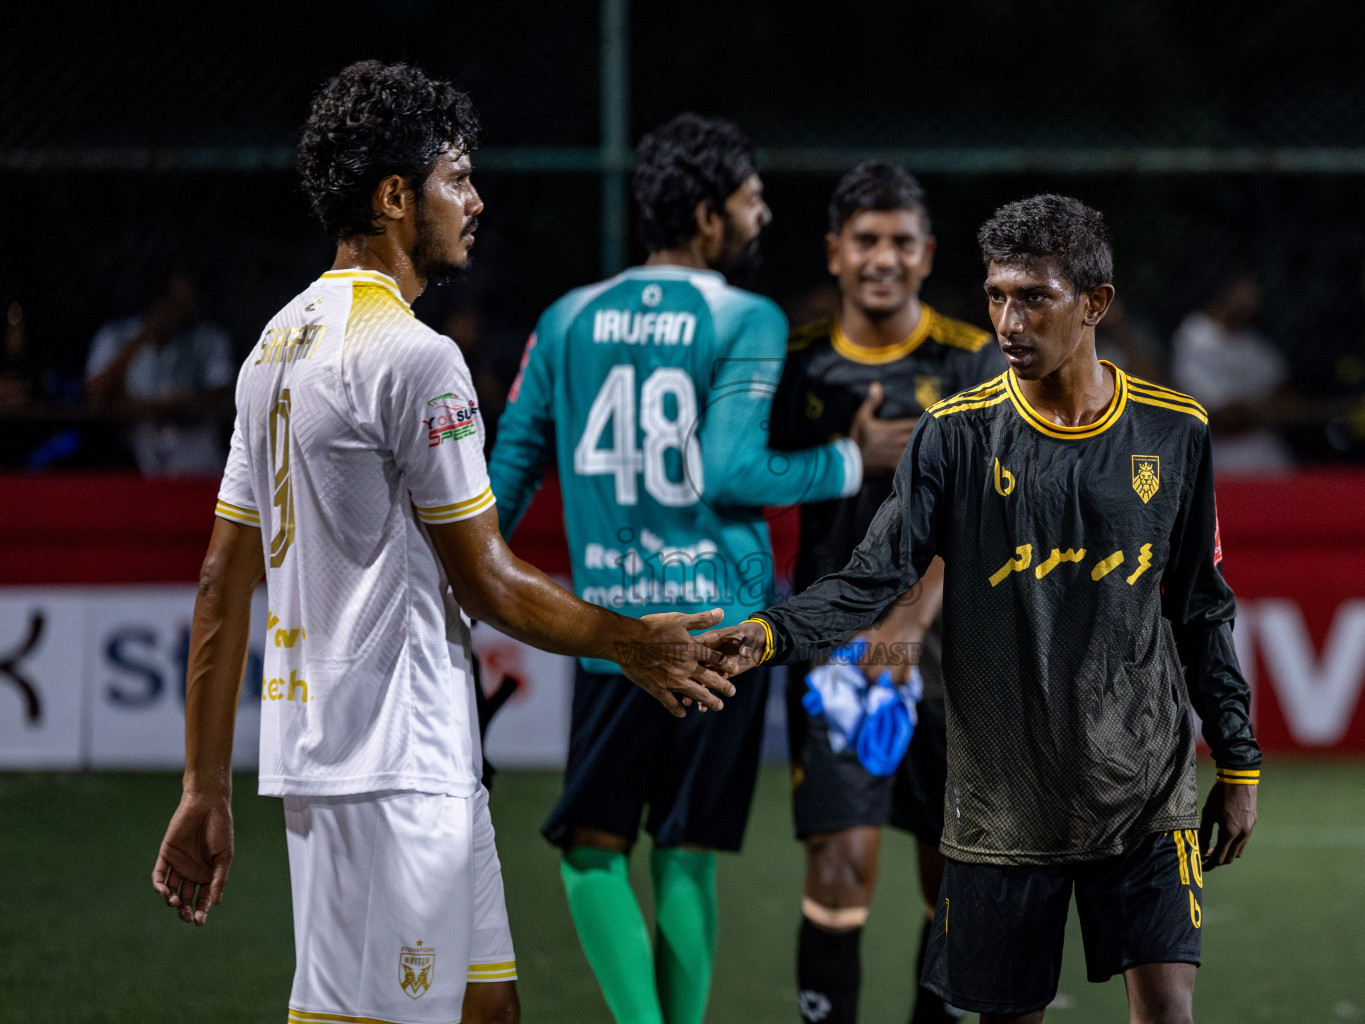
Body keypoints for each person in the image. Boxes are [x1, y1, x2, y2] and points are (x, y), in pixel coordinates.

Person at [149, 62, 733, 1024]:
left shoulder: (273, 346)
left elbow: (221, 580)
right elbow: (490, 579)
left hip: (394, 751)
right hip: (389, 760)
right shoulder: (416, 357)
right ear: (393, 197)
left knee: (485, 1007)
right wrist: (632, 642)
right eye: (456, 178)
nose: (476, 200)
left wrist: (204, 784)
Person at [705, 194, 1261, 1024]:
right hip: (1003, 803)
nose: (1008, 319)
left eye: (1034, 296)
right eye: (997, 295)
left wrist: (1239, 762)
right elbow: (871, 577)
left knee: (1170, 1012)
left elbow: (1201, 612)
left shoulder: (1174, 431)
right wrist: (768, 632)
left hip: (1145, 789)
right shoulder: (956, 435)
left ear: (1094, 305)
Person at [486, 113, 880, 1024]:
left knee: (592, 850)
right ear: (707, 217)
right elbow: (735, 471)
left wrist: (464, 576)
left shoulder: (566, 317)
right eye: (750, 200)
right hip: (720, 630)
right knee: (686, 853)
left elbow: (506, 483)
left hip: (614, 633)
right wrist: (844, 462)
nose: (763, 214)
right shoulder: (746, 316)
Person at [767, 161, 1003, 1024]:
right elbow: (740, 474)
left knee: (956, 869)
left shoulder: (973, 357)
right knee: (839, 863)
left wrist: (905, 622)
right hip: (837, 652)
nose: (883, 258)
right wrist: (840, 460)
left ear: (927, 252)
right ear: (834, 252)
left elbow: (983, 521)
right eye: (865, 240)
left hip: (953, 655)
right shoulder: (795, 368)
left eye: (901, 241)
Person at [83, 269, 235, 475]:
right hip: (134, 460)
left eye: (187, 301)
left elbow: (226, 392)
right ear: (156, 300)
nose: (180, 310)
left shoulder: (207, 338)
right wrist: (144, 335)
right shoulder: (116, 334)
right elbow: (96, 393)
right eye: (173, 302)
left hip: (197, 461)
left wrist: (181, 402)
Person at [1169, 271, 1290, 474]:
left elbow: (1286, 393)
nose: (1255, 300)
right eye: (1248, 292)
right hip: (1218, 450)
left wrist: (1259, 409)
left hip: (1261, 446)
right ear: (1225, 292)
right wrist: (1263, 408)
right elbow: (1219, 414)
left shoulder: (1251, 342)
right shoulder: (1193, 337)